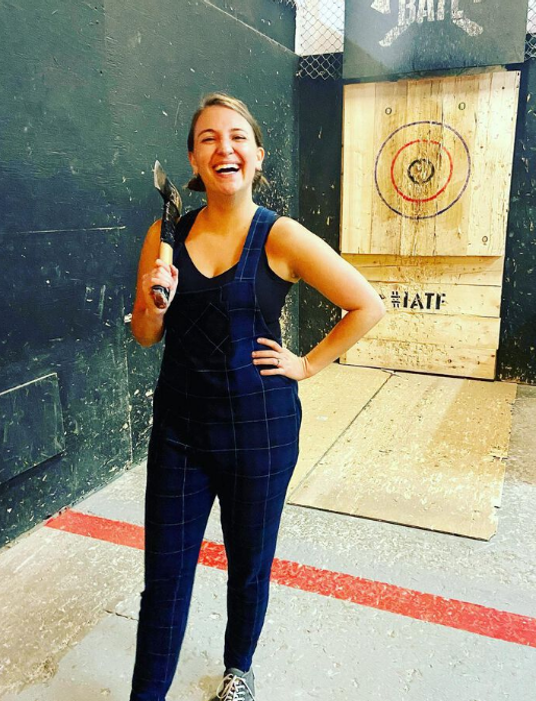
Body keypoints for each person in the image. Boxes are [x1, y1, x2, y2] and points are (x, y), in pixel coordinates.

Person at [129, 93, 385, 701]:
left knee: (248, 565)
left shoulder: (282, 236)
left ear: (258, 154)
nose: (226, 148)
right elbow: (145, 335)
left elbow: (366, 305)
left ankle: (237, 671)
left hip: (261, 432)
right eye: (210, 138)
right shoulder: (165, 235)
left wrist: (307, 364)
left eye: (238, 137)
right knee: (164, 578)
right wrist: (151, 298)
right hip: (180, 433)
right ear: (193, 158)